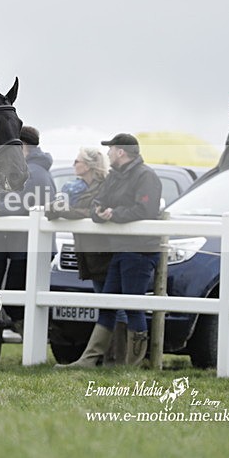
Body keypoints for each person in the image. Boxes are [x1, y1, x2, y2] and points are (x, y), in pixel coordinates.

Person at [57, 133, 162, 369]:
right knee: (108, 304)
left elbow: (145, 209)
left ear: (121, 152)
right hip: (120, 248)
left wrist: (114, 214)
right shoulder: (115, 176)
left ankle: (132, 365)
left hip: (140, 250)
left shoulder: (146, 176)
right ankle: (89, 360)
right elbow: (98, 203)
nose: (108, 154)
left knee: (132, 306)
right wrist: (100, 212)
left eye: (111, 149)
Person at [0, 126, 56, 362]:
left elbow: (16, 203)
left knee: (14, 304)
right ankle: (4, 351)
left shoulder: (34, 172)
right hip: (20, 248)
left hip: (28, 250)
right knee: (8, 302)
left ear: (21, 146)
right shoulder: (31, 170)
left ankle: (35, 348)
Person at [47, 147, 126, 364]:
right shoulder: (83, 187)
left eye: (77, 161)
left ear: (89, 165)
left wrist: (62, 210)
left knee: (112, 306)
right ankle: (108, 358)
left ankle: (117, 359)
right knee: (107, 305)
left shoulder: (103, 186)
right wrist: (57, 209)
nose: (74, 164)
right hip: (91, 254)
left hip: (104, 253)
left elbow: (89, 212)